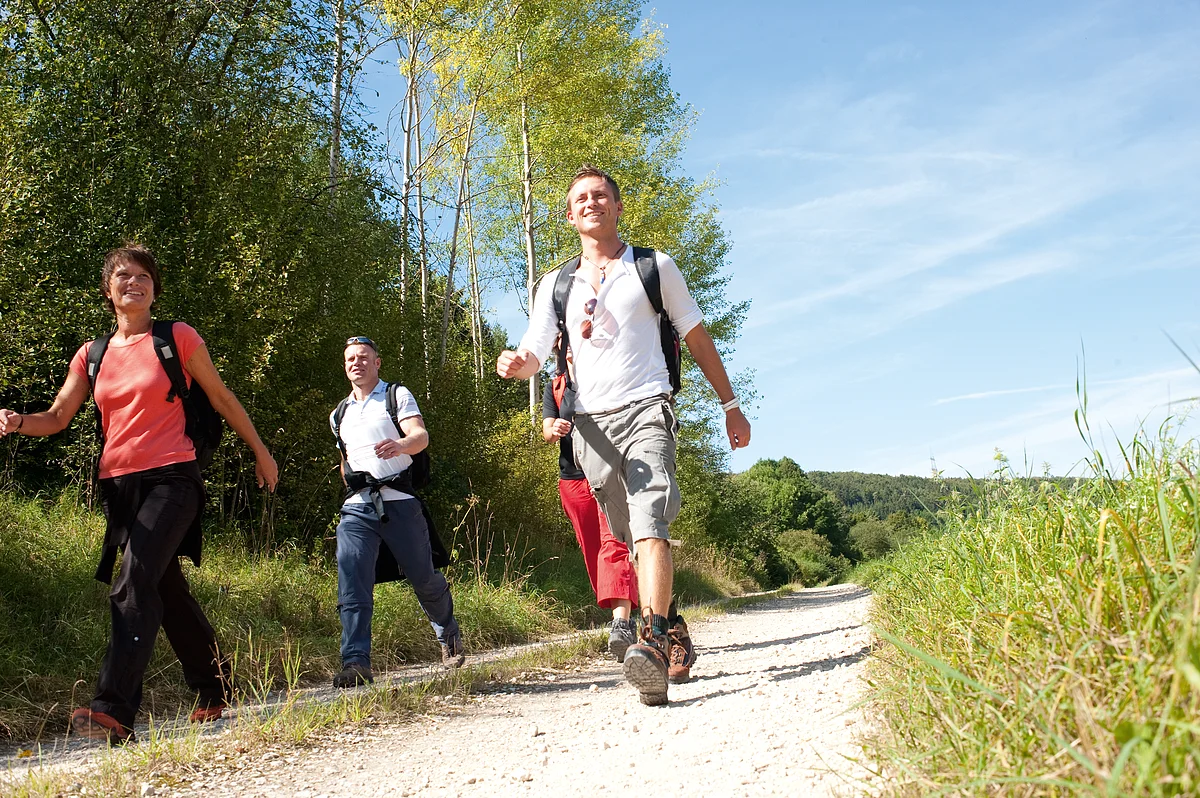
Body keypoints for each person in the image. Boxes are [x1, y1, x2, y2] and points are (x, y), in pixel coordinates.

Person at [0, 243, 280, 743]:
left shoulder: (176, 338)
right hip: (119, 487)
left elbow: (221, 396)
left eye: (144, 275)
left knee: (132, 582)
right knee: (164, 588)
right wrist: (19, 421)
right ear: (109, 290)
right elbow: (59, 416)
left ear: (154, 288)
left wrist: (261, 451)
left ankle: (113, 708)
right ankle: (216, 689)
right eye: (124, 276)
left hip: (174, 478)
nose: (135, 282)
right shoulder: (93, 354)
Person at [497, 165, 752, 706]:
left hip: (647, 407)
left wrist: (731, 406)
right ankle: (675, 627)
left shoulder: (653, 267)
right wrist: (518, 363)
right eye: (580, 199)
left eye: (600, 196)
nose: (591, 203)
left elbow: (697, 336)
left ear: (616, 207)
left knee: (649, 520)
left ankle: (653, 641)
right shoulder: (556, 283)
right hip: (589, 424)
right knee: (626, 531)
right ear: (570, 216)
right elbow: (537, 347)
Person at [329, 336, 465, 688]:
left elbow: (419, 436)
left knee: (423, 577)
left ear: (377, 362)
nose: (356, 363)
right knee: (353, 582)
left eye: (363, 357)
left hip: (400, 502)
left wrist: (400, 445)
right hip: (357, 509)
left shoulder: (396, 395)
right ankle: (355, 661)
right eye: (350, 360)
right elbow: (344, 460)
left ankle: (449, 637)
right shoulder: (339, 413)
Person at [542, 354, 639, 661]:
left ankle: (622, 623)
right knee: (593, 550)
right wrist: (554, 427)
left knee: (615, 544)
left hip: (609, 474)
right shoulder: (555, 387)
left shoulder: (605, 373)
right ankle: (629, 610)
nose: (567, 346)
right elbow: (545, 431)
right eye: (561, 340)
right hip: (572, 480)